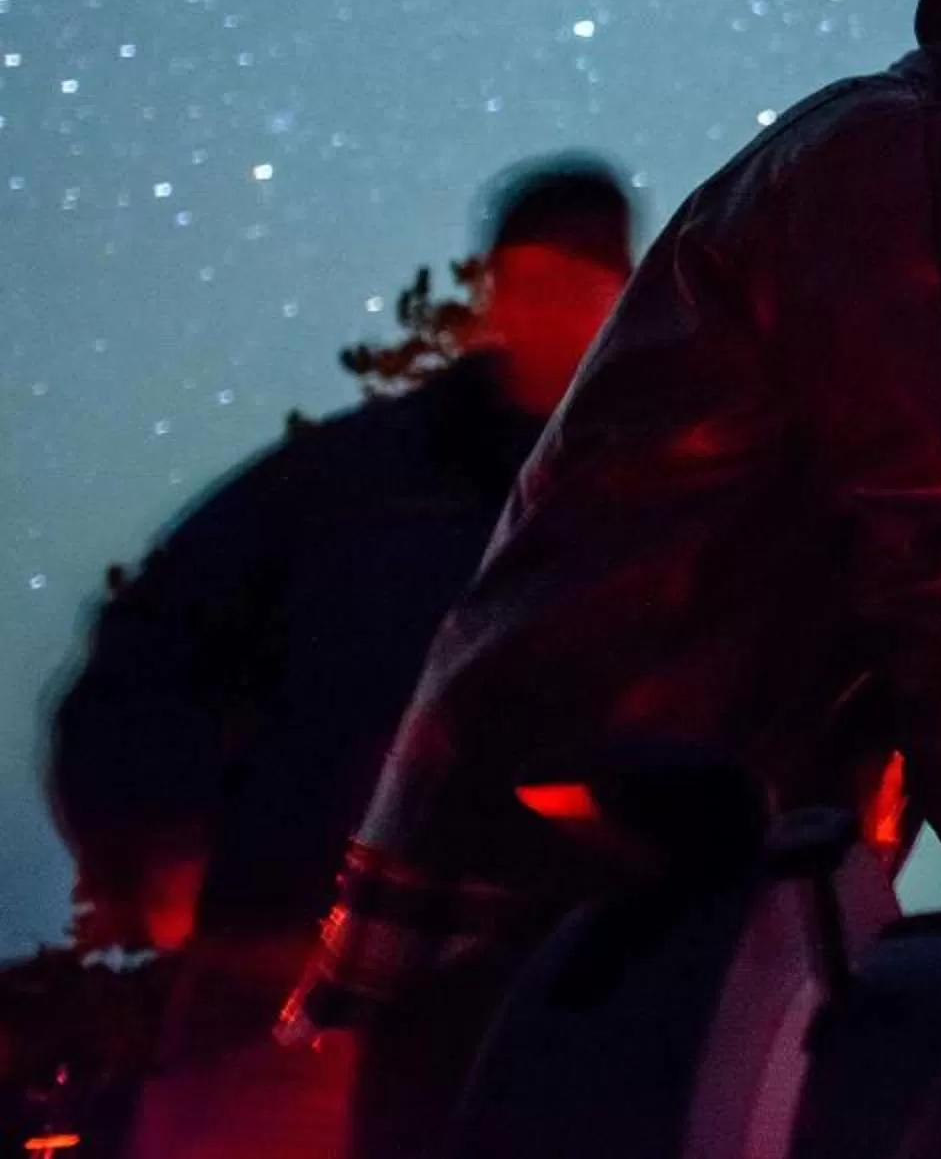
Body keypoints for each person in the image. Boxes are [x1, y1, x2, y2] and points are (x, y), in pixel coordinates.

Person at [283, 0, 941, 1158]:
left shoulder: (930, 173)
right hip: (585, 837)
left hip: (641, 829)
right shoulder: (901, 159)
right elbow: (934, 548)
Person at [47, 159, 637, 1159]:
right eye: (528, 281)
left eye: (581, 287)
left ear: (621, 303)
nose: (549, 310)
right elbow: (152, 641)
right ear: (492, 290)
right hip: (272, 963)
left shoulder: (632, 505)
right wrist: (159, 842)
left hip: (526, 983)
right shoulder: (348, 483)